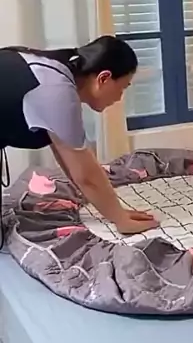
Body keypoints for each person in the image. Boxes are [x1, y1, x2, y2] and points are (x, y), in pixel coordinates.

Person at [0, 36, 157, 235]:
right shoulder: (56, 91)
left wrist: (116, 213)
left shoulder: (52, 70)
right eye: (122, 88)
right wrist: (121, 221)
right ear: (104, 78)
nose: (119, 98)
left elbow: (71, 163)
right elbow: (86, 176)